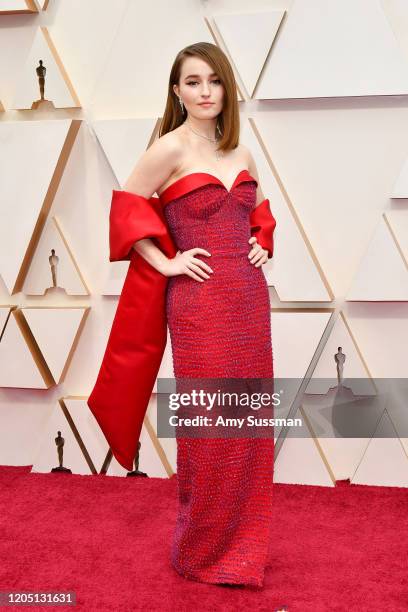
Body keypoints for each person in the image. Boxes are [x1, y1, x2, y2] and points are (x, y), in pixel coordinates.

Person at [88, 41, 277, 588]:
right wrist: (166, 263)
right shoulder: (168, 149)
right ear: (177, 90)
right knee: (209, 429)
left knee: (248, 428)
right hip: (199, 307)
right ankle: (203, 551)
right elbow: (126, 207)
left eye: (214, 81)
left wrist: (262, 240)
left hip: (247, 299)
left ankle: (245, 547)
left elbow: (257, 208)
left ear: (227, 89)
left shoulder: (240, 150)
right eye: (193, 82)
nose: (205, 92)